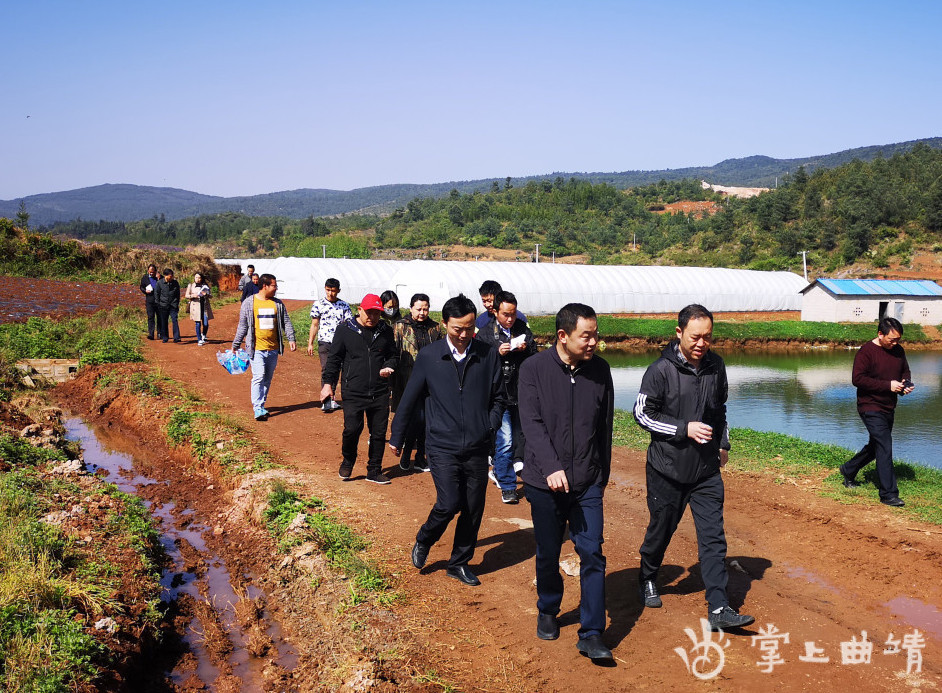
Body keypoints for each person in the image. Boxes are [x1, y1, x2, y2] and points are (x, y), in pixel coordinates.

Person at [633, 304, 754, 631]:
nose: (702, 343)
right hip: (667, 470)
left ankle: (718, 608)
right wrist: (683, 428)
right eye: (696, 337)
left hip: (705, 471)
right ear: (679, 333)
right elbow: (642, 415)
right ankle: (647, 576)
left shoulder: (716, 366)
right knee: (661, 531)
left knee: (713, 538)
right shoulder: (660, 370)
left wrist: (723, 443)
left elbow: (719, 410)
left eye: (708, 337)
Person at [518, 303, 614, 661]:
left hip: (587, 481)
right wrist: (551, 467)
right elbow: (532, 423)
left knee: (592, 552)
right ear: (563, 336)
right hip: (546, 483)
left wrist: (601, 475)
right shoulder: (533, 369)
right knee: (548, 550)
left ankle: (592, 632)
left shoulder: (600, 371)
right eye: (585, 336)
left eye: (595, 334)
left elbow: (604, 427)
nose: (593, 342)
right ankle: (548, 607)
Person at [389, 294, 505, 587]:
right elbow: (410, 398)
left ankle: (459, 563)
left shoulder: (486, 354)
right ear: (445, 324)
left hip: (477, 445)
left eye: (469, 328)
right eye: (457, 329)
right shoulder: (430, 356)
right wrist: (398, 435)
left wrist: (489, 427)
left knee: (473, 507)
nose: (464, 335)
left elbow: (499, 397)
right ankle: (425, 537)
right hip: (441, 444)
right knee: (449, 501)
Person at [320, 294, 398, 485]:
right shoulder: (345, 330)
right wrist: (328, 384)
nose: (372, 317)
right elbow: (334, 359)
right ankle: (348, 460)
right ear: (360, 310)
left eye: (377, 313)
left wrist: (389, 365)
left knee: (378, 433)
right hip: (353, 390)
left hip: (379, 391)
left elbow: (393, 355)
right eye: (369, 312)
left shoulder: (385, 331)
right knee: (352, 429)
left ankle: (374, 470)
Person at [839, 316, 914, 507]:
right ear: (880, 334)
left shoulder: (898, 350)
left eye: (898, 340)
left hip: (889, 406)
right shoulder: (866, 352)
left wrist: (905, 384)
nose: (895, 343)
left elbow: (905, 371)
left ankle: (848, 470)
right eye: (892, 339)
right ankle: (888, 494)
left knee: (876, 446)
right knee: (885, 446)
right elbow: (858, 379)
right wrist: (888, 385)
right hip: (869, 406)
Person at [476, 290, 536, 503]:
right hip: (498, 396)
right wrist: (496, 352)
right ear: (495, 312)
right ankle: (508, 485)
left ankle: (531, 482)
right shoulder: (484, 334)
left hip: (522, 393)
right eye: (505, 315)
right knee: (506, 440)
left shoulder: (522, 329)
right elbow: (478, 363)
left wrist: (526, 348)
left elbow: (535, 356)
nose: (510, 319)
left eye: (513, 314)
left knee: (527, 438)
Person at [231, 274, 297, 421]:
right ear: (265, 286)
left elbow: (286, 322)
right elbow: (242, 326)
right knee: (258, 376)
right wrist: (236, 344)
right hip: (257, 348)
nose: (276, 288)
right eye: (274, 285)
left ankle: (261, 404)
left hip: (273, 348)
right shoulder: (249, 303)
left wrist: (291, 338)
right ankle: (257, 407)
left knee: (267, 379)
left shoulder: (278, 304)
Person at [392, 293, 442, 472]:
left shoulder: (435, 328)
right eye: (419, 309)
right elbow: (394, 353)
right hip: (407, 381)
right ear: (411, 308)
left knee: (427, 421)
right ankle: (406, 455)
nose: (422, 312)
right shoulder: (400, 327)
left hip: (430, 383)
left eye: (425, 309)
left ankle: (421, 456)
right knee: (415, 419)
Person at [307, 278, 353, 413]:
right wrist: (310, 343)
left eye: (333, 290)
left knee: (337, 370)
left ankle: (332, 398)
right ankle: (326, 400)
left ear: (338, 290)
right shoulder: (319, 304)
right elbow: (314, 324)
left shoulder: (344, 306)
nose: (330, 293)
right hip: (325, 341)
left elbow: (349, 325)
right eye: (328, 290)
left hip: (340, 343)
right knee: (326, 369)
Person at [184, 272, 214, 345]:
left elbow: (211, 296)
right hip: (196, 306)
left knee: (206, 323)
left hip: (204, 306)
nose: (198, 279)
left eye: (199, 277)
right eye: (196, 277)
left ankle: (203, 334)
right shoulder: (191, 286)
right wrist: (193, 296)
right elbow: (186, 295)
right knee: (198, 323)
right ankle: (199, 339)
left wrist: (205, 294)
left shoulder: (205, 286)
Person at [154, 268, 181, 343]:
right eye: (170, 276)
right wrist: (158, 303)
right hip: (163, 305)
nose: (171, 278)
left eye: (172, 276)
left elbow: (178, 294)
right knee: (164, 321)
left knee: (174, 320)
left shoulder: (175, 283)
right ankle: (165, 337)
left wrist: (176, 303)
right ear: (165, 276)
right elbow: (157, 294)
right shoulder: (159, 283)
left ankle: (177, 337)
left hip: (173, 305)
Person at [139, 264, 159, 340]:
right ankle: (151, 333)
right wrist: (145, 291)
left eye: (153, 272)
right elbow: (141, 287)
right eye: (150, 272)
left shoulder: (159, 278)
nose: (151, 273)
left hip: (158, 301)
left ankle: (159, 333)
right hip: (149, 300)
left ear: (155, 271)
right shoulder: (145, 278)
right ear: (148, 271)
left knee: (159, 317)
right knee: (150, 317)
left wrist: (159, 279)